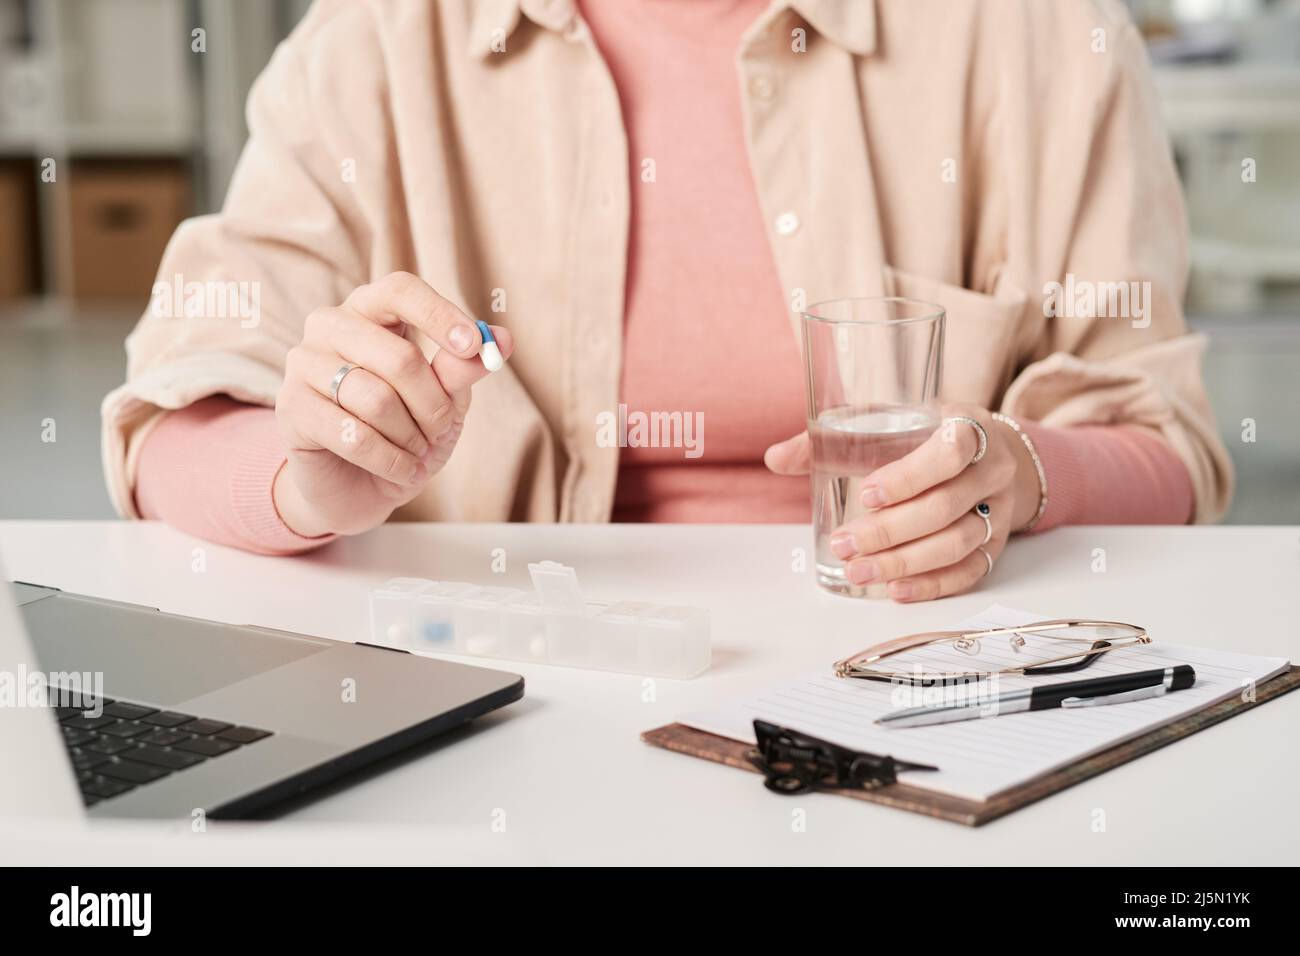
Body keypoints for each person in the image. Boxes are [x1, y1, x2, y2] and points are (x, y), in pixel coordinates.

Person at [102, 0, 1233, 603]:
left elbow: (1165, 442)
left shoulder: (1037, 34)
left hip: (916, 671)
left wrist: (1021, 477)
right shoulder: (371, 45)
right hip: (509, 682)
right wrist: (311, 477)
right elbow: (168, 429)